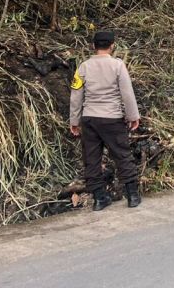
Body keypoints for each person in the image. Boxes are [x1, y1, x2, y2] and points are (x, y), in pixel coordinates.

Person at [69, 29, 142, 211]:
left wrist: (74, 121)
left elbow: (76, 95)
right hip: (112, 118)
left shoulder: (83, 67)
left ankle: (100, 199)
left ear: (93, 46)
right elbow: (127, 92)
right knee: (122, 154)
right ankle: (132, 196)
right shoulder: (118, 65)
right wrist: (133, 116)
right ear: (112, 46)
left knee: (92, 159)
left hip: (90, 119)